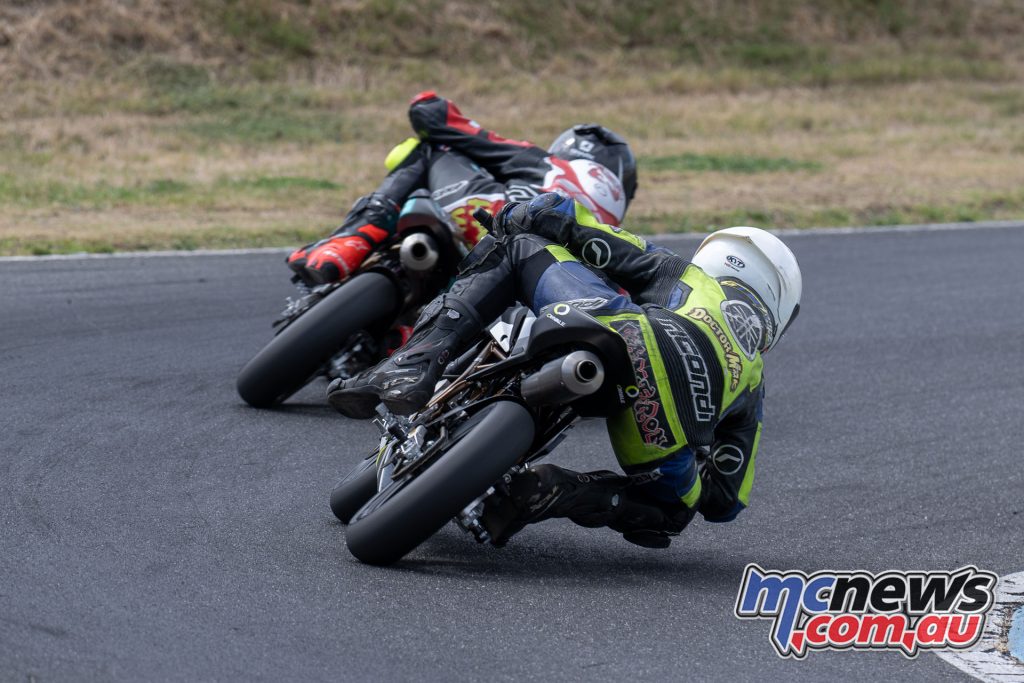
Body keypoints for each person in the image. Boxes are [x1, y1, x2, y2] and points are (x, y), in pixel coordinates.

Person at [328, 192, 802, 549]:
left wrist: (518, 214)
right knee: (674, 509)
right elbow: (724, 503)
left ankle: (413, 362)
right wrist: (690, 448)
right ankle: (559, 491)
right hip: (660, 434)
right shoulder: (753, 378)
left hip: (626, 332)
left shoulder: (687, 276)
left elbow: (579, 227)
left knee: (517, 248)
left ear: (718, 258)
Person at [286, 91, 638, 285]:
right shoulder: (621, 243)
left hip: (492, 223)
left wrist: (430, 102)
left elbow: (436, 121)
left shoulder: (547, 163)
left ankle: (354, 237)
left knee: (431, 147)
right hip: (555, 283)